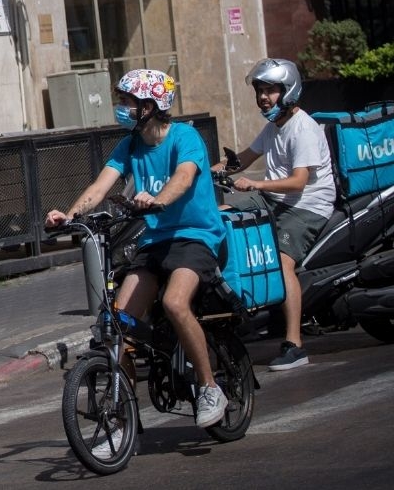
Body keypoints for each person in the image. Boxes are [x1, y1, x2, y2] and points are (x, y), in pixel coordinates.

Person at [44, 68, 230, 430]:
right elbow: (100, 187)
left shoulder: (185, 137)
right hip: (155, 241)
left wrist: (158, 200)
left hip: (196, 236)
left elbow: (184, 177)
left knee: (175, 303)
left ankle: (209, 388)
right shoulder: (130, 145)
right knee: (116, 323)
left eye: (127, 102)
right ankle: (124, 418)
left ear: (150, 105)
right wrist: (69, 216)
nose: (121, 108)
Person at [212, 58, 335, 371]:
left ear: (288, 91)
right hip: (274, 199)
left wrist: (256, 183)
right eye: (260, 91)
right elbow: (241, 160)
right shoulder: (273, 127)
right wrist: (201, 172)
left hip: (306, 204)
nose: (263, 97)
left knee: (282, 262)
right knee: (219, 217)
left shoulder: (303, 128)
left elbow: (298, 182)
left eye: (270, 90)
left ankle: (294, 345)